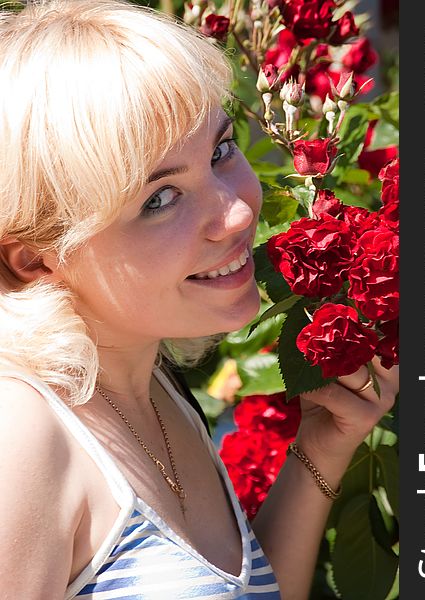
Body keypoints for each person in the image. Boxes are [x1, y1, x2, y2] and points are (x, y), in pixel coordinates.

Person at [0, 1, 398, 598]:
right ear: (36, 259)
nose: (237, 212)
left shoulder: (152, 382)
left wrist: (321, 446)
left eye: (219, 150)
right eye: (160, 199)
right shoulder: (24, 437)